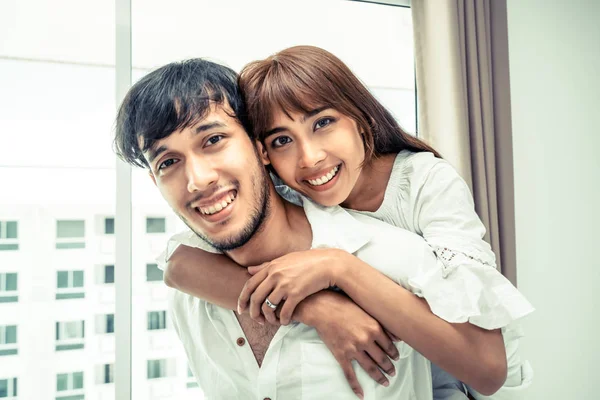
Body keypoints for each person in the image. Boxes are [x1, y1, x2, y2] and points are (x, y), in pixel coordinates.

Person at [114, 58, 508, 400]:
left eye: (214, 140)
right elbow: (175, 266)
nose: (197, 180)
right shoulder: (189, 290)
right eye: (167, 163)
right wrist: (313, 307)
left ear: (259, 148)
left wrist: (341, 269)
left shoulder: (392, 250)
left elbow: (486, 367)